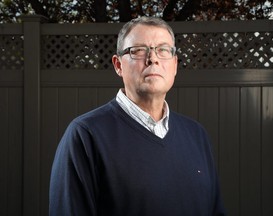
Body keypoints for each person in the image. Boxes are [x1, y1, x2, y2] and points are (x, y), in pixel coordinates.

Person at [49, 16, 226, 216]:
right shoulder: (85, 135)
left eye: (163, 50)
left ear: (175, 65)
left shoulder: (196, 135)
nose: (153, 58)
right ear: (118, 65)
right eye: (139, 50)